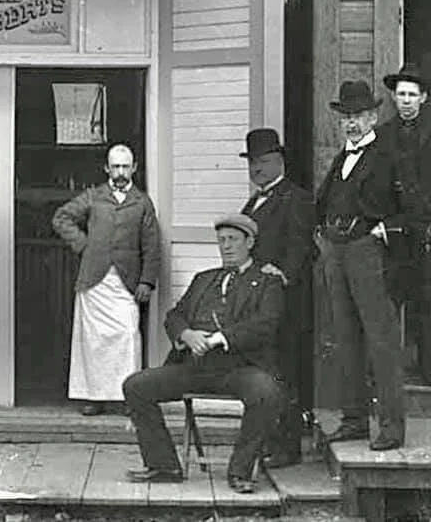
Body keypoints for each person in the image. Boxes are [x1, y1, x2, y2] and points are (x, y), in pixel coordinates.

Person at [122, 214, 284, 494]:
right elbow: (175, 316)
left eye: (233, 240)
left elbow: (265, 325)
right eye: (222, 241)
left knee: (267, 393)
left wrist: (219, 338)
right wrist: (186, 335)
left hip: (239, 369)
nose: (226, 247)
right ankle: (164, 466)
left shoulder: (267, 281)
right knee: (136, 386)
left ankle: (240, 471)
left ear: (250, 242)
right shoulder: (204, 279)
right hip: (194, 368)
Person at [316, 80, 405, 450]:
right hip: (336, 252)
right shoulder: (341, 158)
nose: (352, 123)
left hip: (368, 254)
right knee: (345, 338)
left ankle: (391, 427)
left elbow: (409, 204)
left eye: (359, 116)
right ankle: (353, 419)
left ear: (373, 116)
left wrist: (385, 231)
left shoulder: (388, 155)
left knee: (380, 341)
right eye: (346, 117)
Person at [52, 143, 161, 415]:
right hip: (94, 280)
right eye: (116, 166)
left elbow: (152, 245)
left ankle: (129, 396)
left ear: (134, 168)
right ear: (106, 168)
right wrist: (84, 244)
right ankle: (93, 397)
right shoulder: (93, 196)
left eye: (126, 166)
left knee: (127, 336)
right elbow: (62, 217)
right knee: (93, 340)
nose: (121, 172)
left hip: (127, 282)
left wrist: (147, 281)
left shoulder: (142, 202)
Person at [379, 63, 431, 391]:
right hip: (396, 231)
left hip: (429, 229)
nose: (406, 101)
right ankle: (385, 372)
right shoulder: (385, 134)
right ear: (393, 97)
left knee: (427, 300)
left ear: (423, 98)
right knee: (388, 300)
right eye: (401, 94)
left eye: (412, 95)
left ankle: (429, 370)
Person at [239, 128, 314, 467]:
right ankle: (268, 441)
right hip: (260, 305)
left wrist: (285, 272)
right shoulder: (254, 201)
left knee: (285, 371)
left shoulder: (295, 198)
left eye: (264, 161)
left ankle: (288, 446)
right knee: (265, 372)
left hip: (286, 302)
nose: (257, 169)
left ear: (280, 161)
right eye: (252, 162)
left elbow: (301, 245)